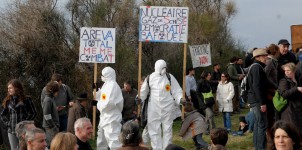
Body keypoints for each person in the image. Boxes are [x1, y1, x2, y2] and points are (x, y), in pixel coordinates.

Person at [140, 59, 183, 150]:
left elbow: (177, 91)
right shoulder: (150, 78)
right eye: (162, 68)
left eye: (164, 67)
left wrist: (180, 99)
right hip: (153, 109)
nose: (164, 69)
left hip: (167, 109)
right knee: (154, 131)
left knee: (167, 130)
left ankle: (167, 148)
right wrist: (139, 98)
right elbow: (143, 92)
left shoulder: (169, 77)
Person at [0, 79, 37, 150]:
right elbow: (2, 115)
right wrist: (8, 123)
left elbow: (33, 113)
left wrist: (25, 122)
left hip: (24, 130)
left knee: (25, 148)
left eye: (10, 88)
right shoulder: (8, 100)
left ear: (16, 88)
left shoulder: (27, 99)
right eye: (8, 88)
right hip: (11, 130)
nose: (8, 90)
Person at [96, 66, 124, 150]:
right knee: (101, 141)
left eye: (103, 75)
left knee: (113, 141)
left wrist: (98, 105)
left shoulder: (113, 86)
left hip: (112, 118)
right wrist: (97, 94)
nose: (102, 77)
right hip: (104, 118)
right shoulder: (106, 85)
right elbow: (103, 97)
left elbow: (108, 104)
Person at [246, 48, 269, 150]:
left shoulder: (255, 66)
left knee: (257, 124)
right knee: (262, 124)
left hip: (254, 100)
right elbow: (256, 86)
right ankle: (260, 147)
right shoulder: (257, 68)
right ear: (258, 57)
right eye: (264, 56)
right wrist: (262, 103)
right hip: (257, 100)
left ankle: (257, 146)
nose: (266, 57)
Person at [278, 63, 302, 135]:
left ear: (294, 70)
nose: (286, 72)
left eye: (288, 70)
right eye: (285, 71)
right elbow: (284, 94)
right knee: (293, 131)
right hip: (289, 110)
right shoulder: (284, 81)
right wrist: (296, 89)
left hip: (299, 108)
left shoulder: (298, 80)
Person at [264, 44, 280, 134]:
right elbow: (265, 75)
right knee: (270, 115)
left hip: (273, 89)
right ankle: (270, 133)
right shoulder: (269, 61)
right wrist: (274, 86)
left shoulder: (273, 61)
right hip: (270, 90)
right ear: (275, 51)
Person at [41, 81, 60, 147]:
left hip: (52, 126)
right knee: (51, 145)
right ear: (53, 91)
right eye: (57, 91)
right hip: (50, 127)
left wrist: (55, 109)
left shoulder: (51, 99)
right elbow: (46, 115)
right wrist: (53, 126)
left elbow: (49, 112)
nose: (58, 93)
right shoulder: (48, 100)